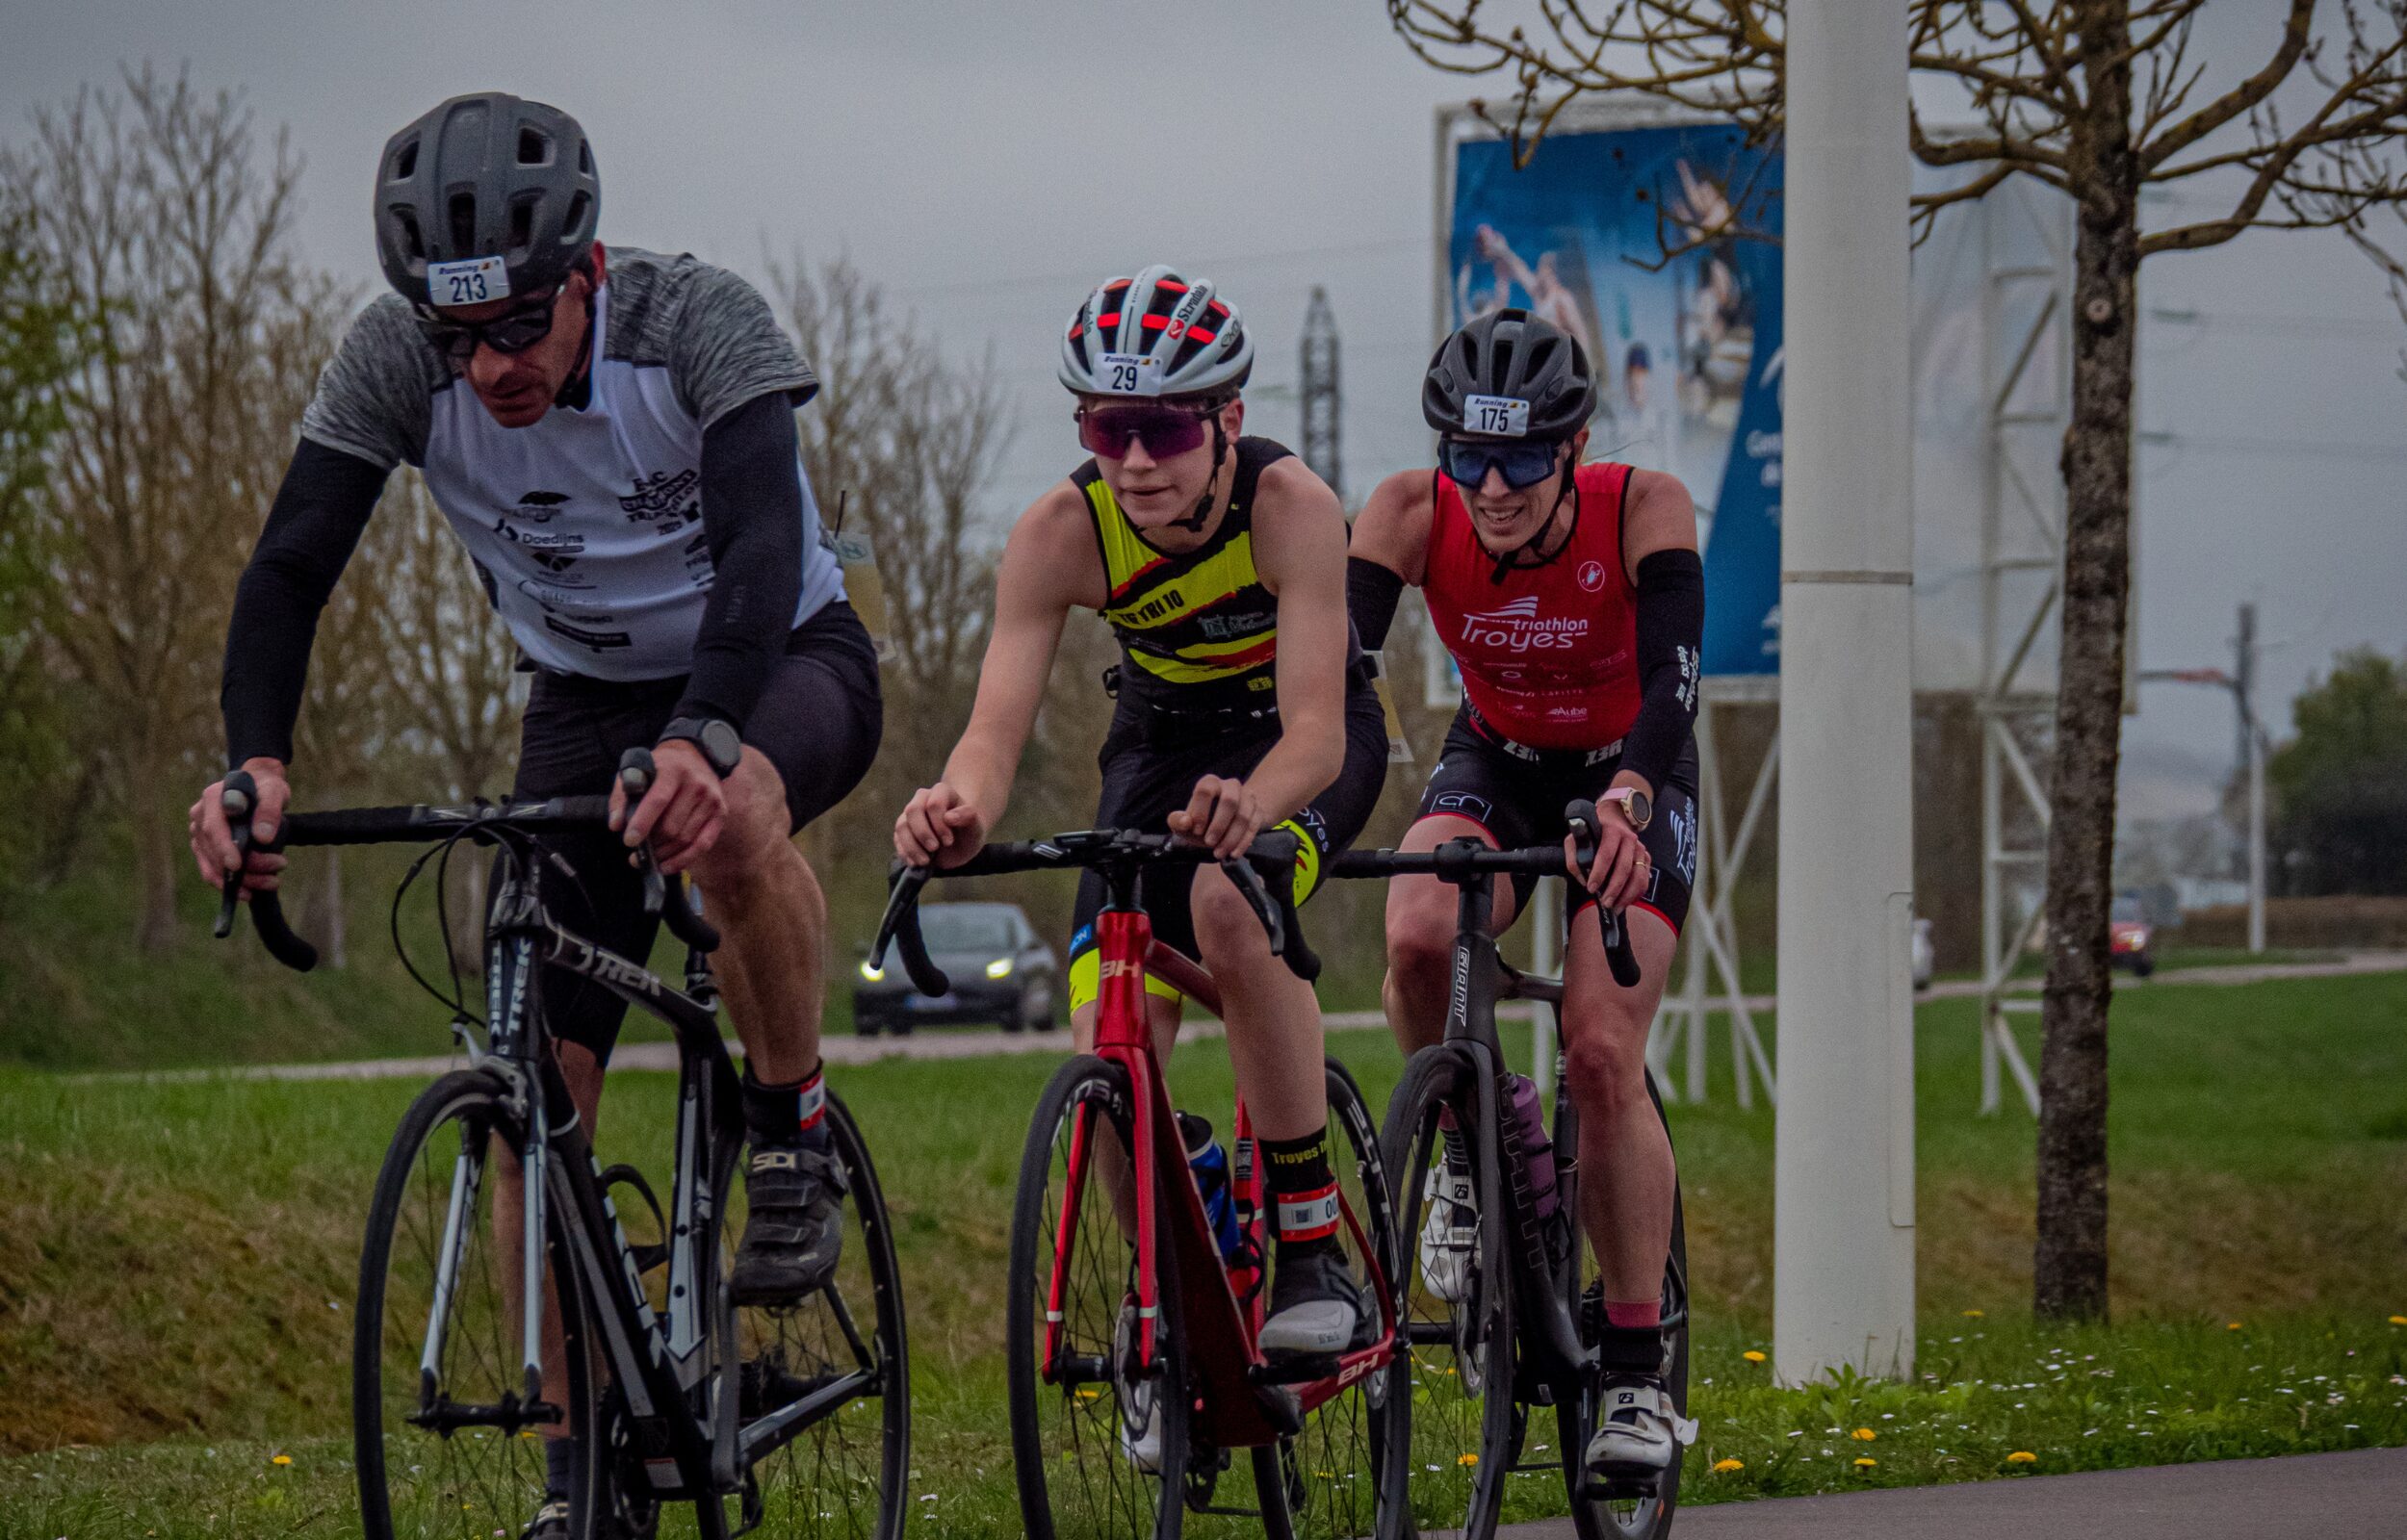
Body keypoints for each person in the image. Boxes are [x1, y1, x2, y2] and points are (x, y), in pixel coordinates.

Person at [186, 92, 880, 1537]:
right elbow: (289, 568)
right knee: (532, 1103)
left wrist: (704, 733)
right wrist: (255, 761)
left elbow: (760, 545)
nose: (490, 366)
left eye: (515, 327)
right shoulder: (398, 359)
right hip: (577, 694)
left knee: (737, 821)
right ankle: (584, 1483)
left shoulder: (696, 324)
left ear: (586, 272)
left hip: (776, 656)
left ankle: (791, 1128)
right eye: (459, 341)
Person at [893, 267, 1387, 1448]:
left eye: (1162, 429)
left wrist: (1252, 803)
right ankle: (1178, 1273)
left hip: (1298, 745)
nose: (1135, 461)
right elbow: (991, 730)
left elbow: (1317, 730)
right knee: (1104, 1054)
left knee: (1229, 900)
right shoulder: (1060, 530)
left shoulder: (1292, 505)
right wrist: (954, 806)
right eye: (1106, 430)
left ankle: (1311, 1244)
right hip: (1157, 747)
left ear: (1223, 420)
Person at [1347, 308, 1703, 1481]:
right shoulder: (1408, 512)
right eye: (1467, 456)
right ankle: (1470, 1154)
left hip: (1632, 769)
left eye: (1520, 458)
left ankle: (1639, 1367)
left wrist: (1633, 797)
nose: (1490, 486)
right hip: (1498, 756)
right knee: (1413, 930)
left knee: (1599, 1046)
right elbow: (1331, 681)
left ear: (1575, 445)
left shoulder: (1639, 505)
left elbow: (1672, 682)